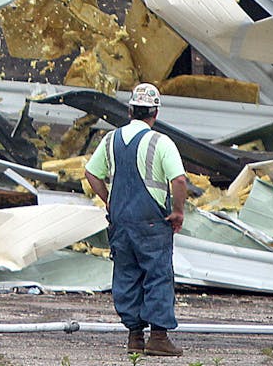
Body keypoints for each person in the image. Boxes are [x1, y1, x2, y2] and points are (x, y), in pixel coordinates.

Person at [83, 82, 189, 357]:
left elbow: (92, 173)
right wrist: (178, 211)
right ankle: (159, 337)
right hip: (152, 221)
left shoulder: (110, 140)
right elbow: (178, 179)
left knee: (127, 275)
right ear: (155, 113)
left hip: (120, 221)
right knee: (156, 275)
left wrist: (108, 199)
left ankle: (134, 337)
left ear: (130, 109)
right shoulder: (160, 142)